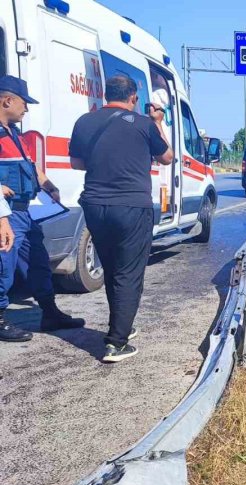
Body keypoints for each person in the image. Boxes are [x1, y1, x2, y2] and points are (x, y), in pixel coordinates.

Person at [69, 75, 173, 363]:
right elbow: (167, 157)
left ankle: (122, 326)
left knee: (113, 268)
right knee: (129, 272)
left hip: (95, 206)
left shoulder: (84, 121)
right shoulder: (144, 124)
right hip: (131, 207)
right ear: (134, 98)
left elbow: (76, 163)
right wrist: (158, 122)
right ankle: (116, 343)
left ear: (106, 95)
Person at [0, 75, 84, 343]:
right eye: (24, 103)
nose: (26, 108)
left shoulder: (14, 134)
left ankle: (50, 313)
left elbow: (30, 165)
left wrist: (48, 185)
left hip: (23, 213)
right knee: (3, 266)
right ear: (7, 101)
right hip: (5, 213)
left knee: (38, 261)